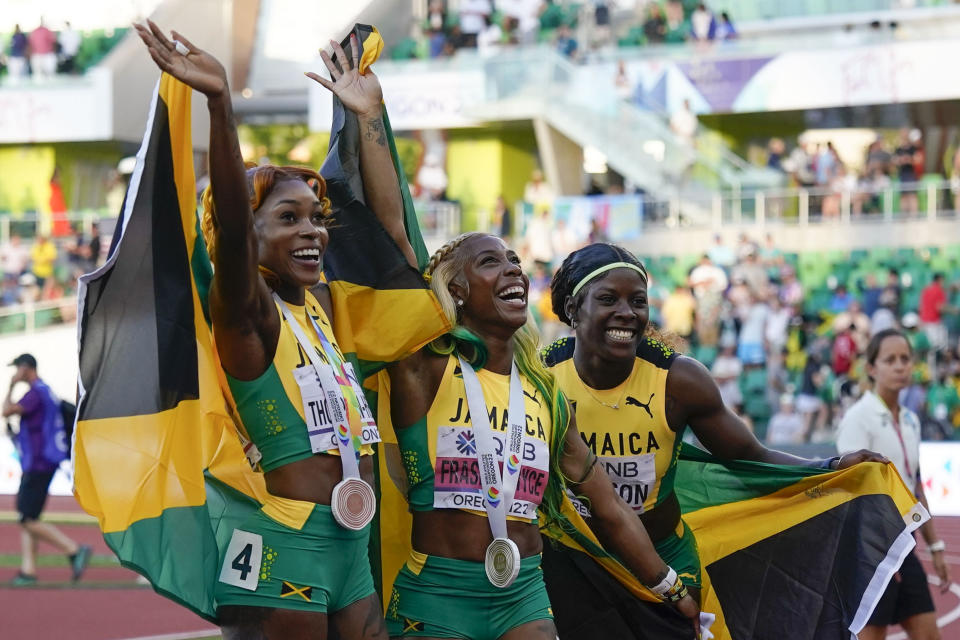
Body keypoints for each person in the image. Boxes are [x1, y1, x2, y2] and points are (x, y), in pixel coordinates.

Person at [134, 20, 418, 638]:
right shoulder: (247, 313)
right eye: (288, 218)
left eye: (316, 219)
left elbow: (391, 236)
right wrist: (219, 104)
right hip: (280, 542)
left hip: (350, 544)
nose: (313, 231)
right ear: (253, 238)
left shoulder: (320, 308)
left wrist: (370, 118)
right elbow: (233, 233)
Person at [541, 244, 885, 627]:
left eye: (638, 301)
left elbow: (749, 455)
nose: (626, 312)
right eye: (608, 299)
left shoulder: (679, 381)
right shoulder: (541, 379)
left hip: (665, 557)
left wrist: (831, 466)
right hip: (577, 557)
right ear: (573, 308)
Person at [383, 233, 700, 639]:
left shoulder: (547, 395)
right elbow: (390, 247)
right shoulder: (424, 368)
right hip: (438, 594)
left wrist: (671, 589)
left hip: (524, 596)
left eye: (514, 260)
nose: (513, 267)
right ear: (456, 289)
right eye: (490, 262)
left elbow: (609, 509)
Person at [836, 329, 951, 640]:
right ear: (872, 369)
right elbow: (851, 492)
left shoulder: (911, 420)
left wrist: (937, 548)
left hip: (904, 548)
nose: (900, 366)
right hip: (870, 555)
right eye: (890, 360)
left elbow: (917, 489)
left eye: (905, 359)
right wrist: (878, 553)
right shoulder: (858, 418)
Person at [3, 354, 92, 586]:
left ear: (26, 368)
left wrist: (11, 387)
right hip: (44, 460)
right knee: (28, 516)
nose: (16, 373)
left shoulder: (35, 393)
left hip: (38, 461)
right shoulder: (45, 390)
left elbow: (6, 411)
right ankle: (28, 569)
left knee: (27, 518)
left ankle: (73, 549)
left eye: (18, 368)